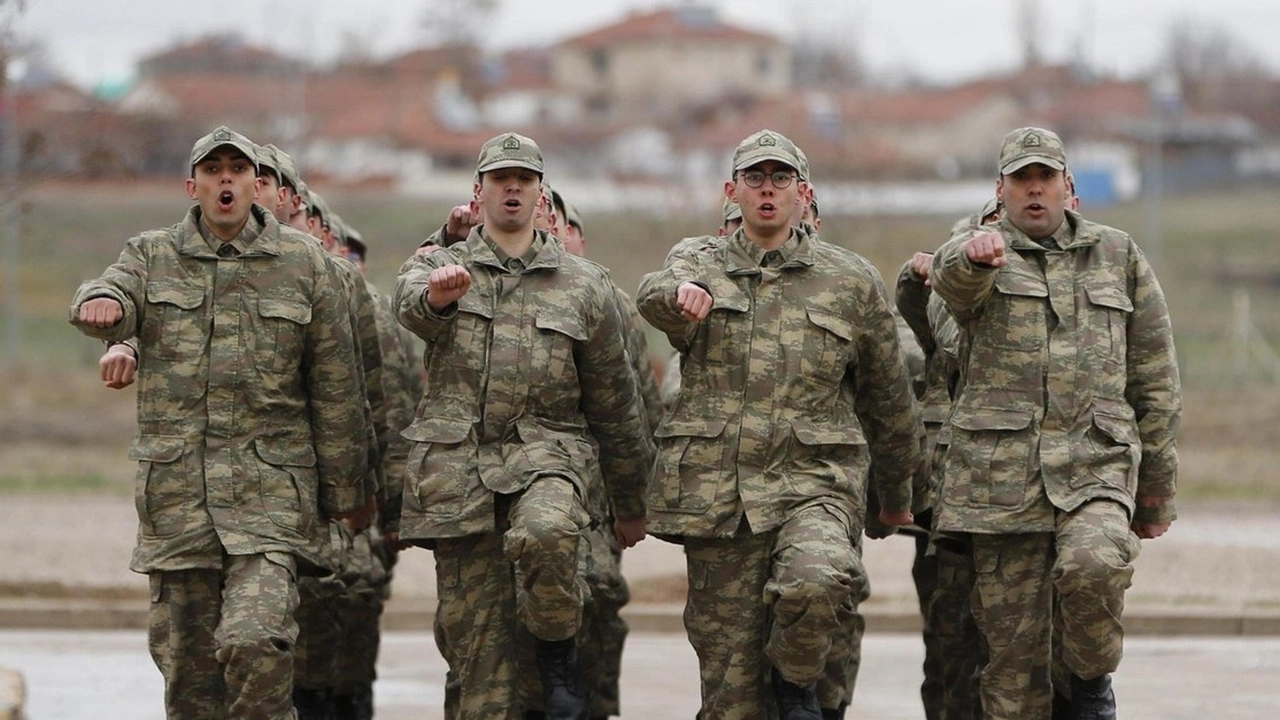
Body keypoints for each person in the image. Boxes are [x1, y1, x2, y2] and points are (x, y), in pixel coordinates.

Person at [69, 126, 370, 720]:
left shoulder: (303, 263)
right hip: (180, 501)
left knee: (256, 641)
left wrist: (348, 492)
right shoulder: (151, 254)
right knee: (190, 680)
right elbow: (113, 292)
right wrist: (100, 305)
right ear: (193, 186)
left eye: (238, 170)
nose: (226, 180)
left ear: (258, 186)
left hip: (271, 499)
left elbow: (337, 384)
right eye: (214, 170)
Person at [636, 129, 924, 720]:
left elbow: (888, 396)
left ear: (803, 192)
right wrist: (681, 296)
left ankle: (798, 689)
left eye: (781, 179)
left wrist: (896, 495)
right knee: (730, 693)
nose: (768, 191)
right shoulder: (699, 261)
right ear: (732, 191)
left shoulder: (850, 280)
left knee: (815, 580)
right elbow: (655, 294)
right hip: (721, 499)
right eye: (755, 179)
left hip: (815, 484)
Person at [393, 132, 655, 720]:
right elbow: (408, 302)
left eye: (525, 180)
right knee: (478, 666)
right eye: (499, 179)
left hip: (549, 459)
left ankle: (560, 647)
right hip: (458, 481)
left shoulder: (585, 284)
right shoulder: (441, 265)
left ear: (541, 195)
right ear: (478, 191)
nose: (512, 188)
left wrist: (632, 501)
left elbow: (616, 401)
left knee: (548, 534)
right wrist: (437, 301)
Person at [929, 127, 1181, 720]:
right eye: (1022, 179)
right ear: (1001, 189)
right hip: (999, 486)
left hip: (1094, 466)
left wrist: (1157, 491)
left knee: (1094, 566)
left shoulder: (1118, 255)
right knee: (1012, 673)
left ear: (1069, 187)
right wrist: (972, 261)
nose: (1034, 190)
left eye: (1046, 178)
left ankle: (1091, 682)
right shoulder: (974, 250)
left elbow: (1155, 378)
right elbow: (947, 296)